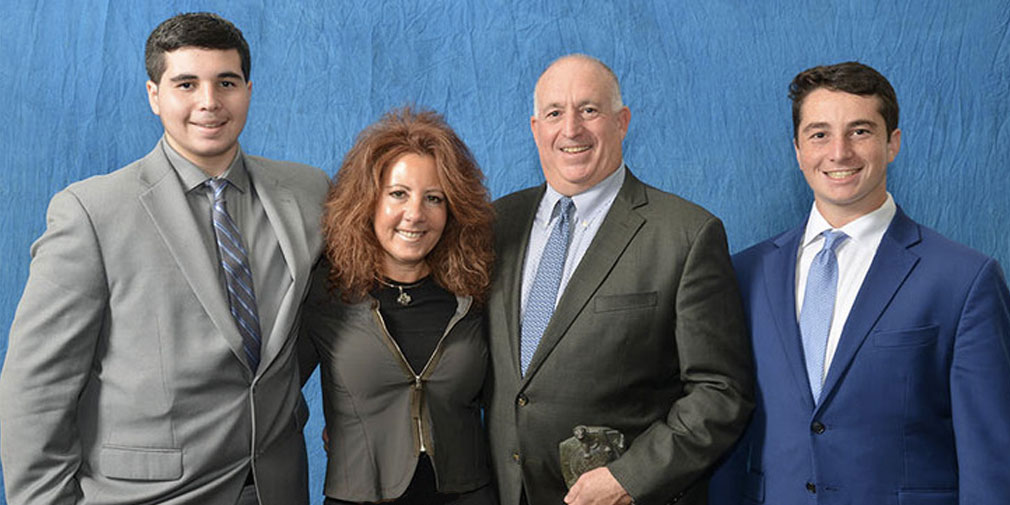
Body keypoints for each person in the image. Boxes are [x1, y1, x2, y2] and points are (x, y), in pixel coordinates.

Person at [0, 12, 328, 505]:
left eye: (226, 82)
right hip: (148, 494)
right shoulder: (92, 212)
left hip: (277, 486)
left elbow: (325, 326)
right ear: (154, 95)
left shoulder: (308, 193)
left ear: (249, 89)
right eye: (186, 83)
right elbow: (37, 387)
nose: (209, 102)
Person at [709, 61, 1010, 504]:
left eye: (860, 132)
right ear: (797, 149)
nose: (839, 153)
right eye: (819, 134)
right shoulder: (745, 274)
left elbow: (991, 459)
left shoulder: (964, 280)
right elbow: (727, 433)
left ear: (893, 143)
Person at [484, 54, 754, 505]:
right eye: (555, 113)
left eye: (589, 110)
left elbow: (721, 391)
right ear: (536, 129)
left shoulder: (685, 234)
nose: (571, 129)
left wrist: (632, 478)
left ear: (622, 121)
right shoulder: (497, 224)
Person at [301, 107, 496, 505]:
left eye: (434, 198)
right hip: (358, 493)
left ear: (453, 209)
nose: (415, 215)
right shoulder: (324, 291)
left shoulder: (477, 291)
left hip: (469, 494)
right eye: (398, 194)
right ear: (368, 201)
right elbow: (271, 391)